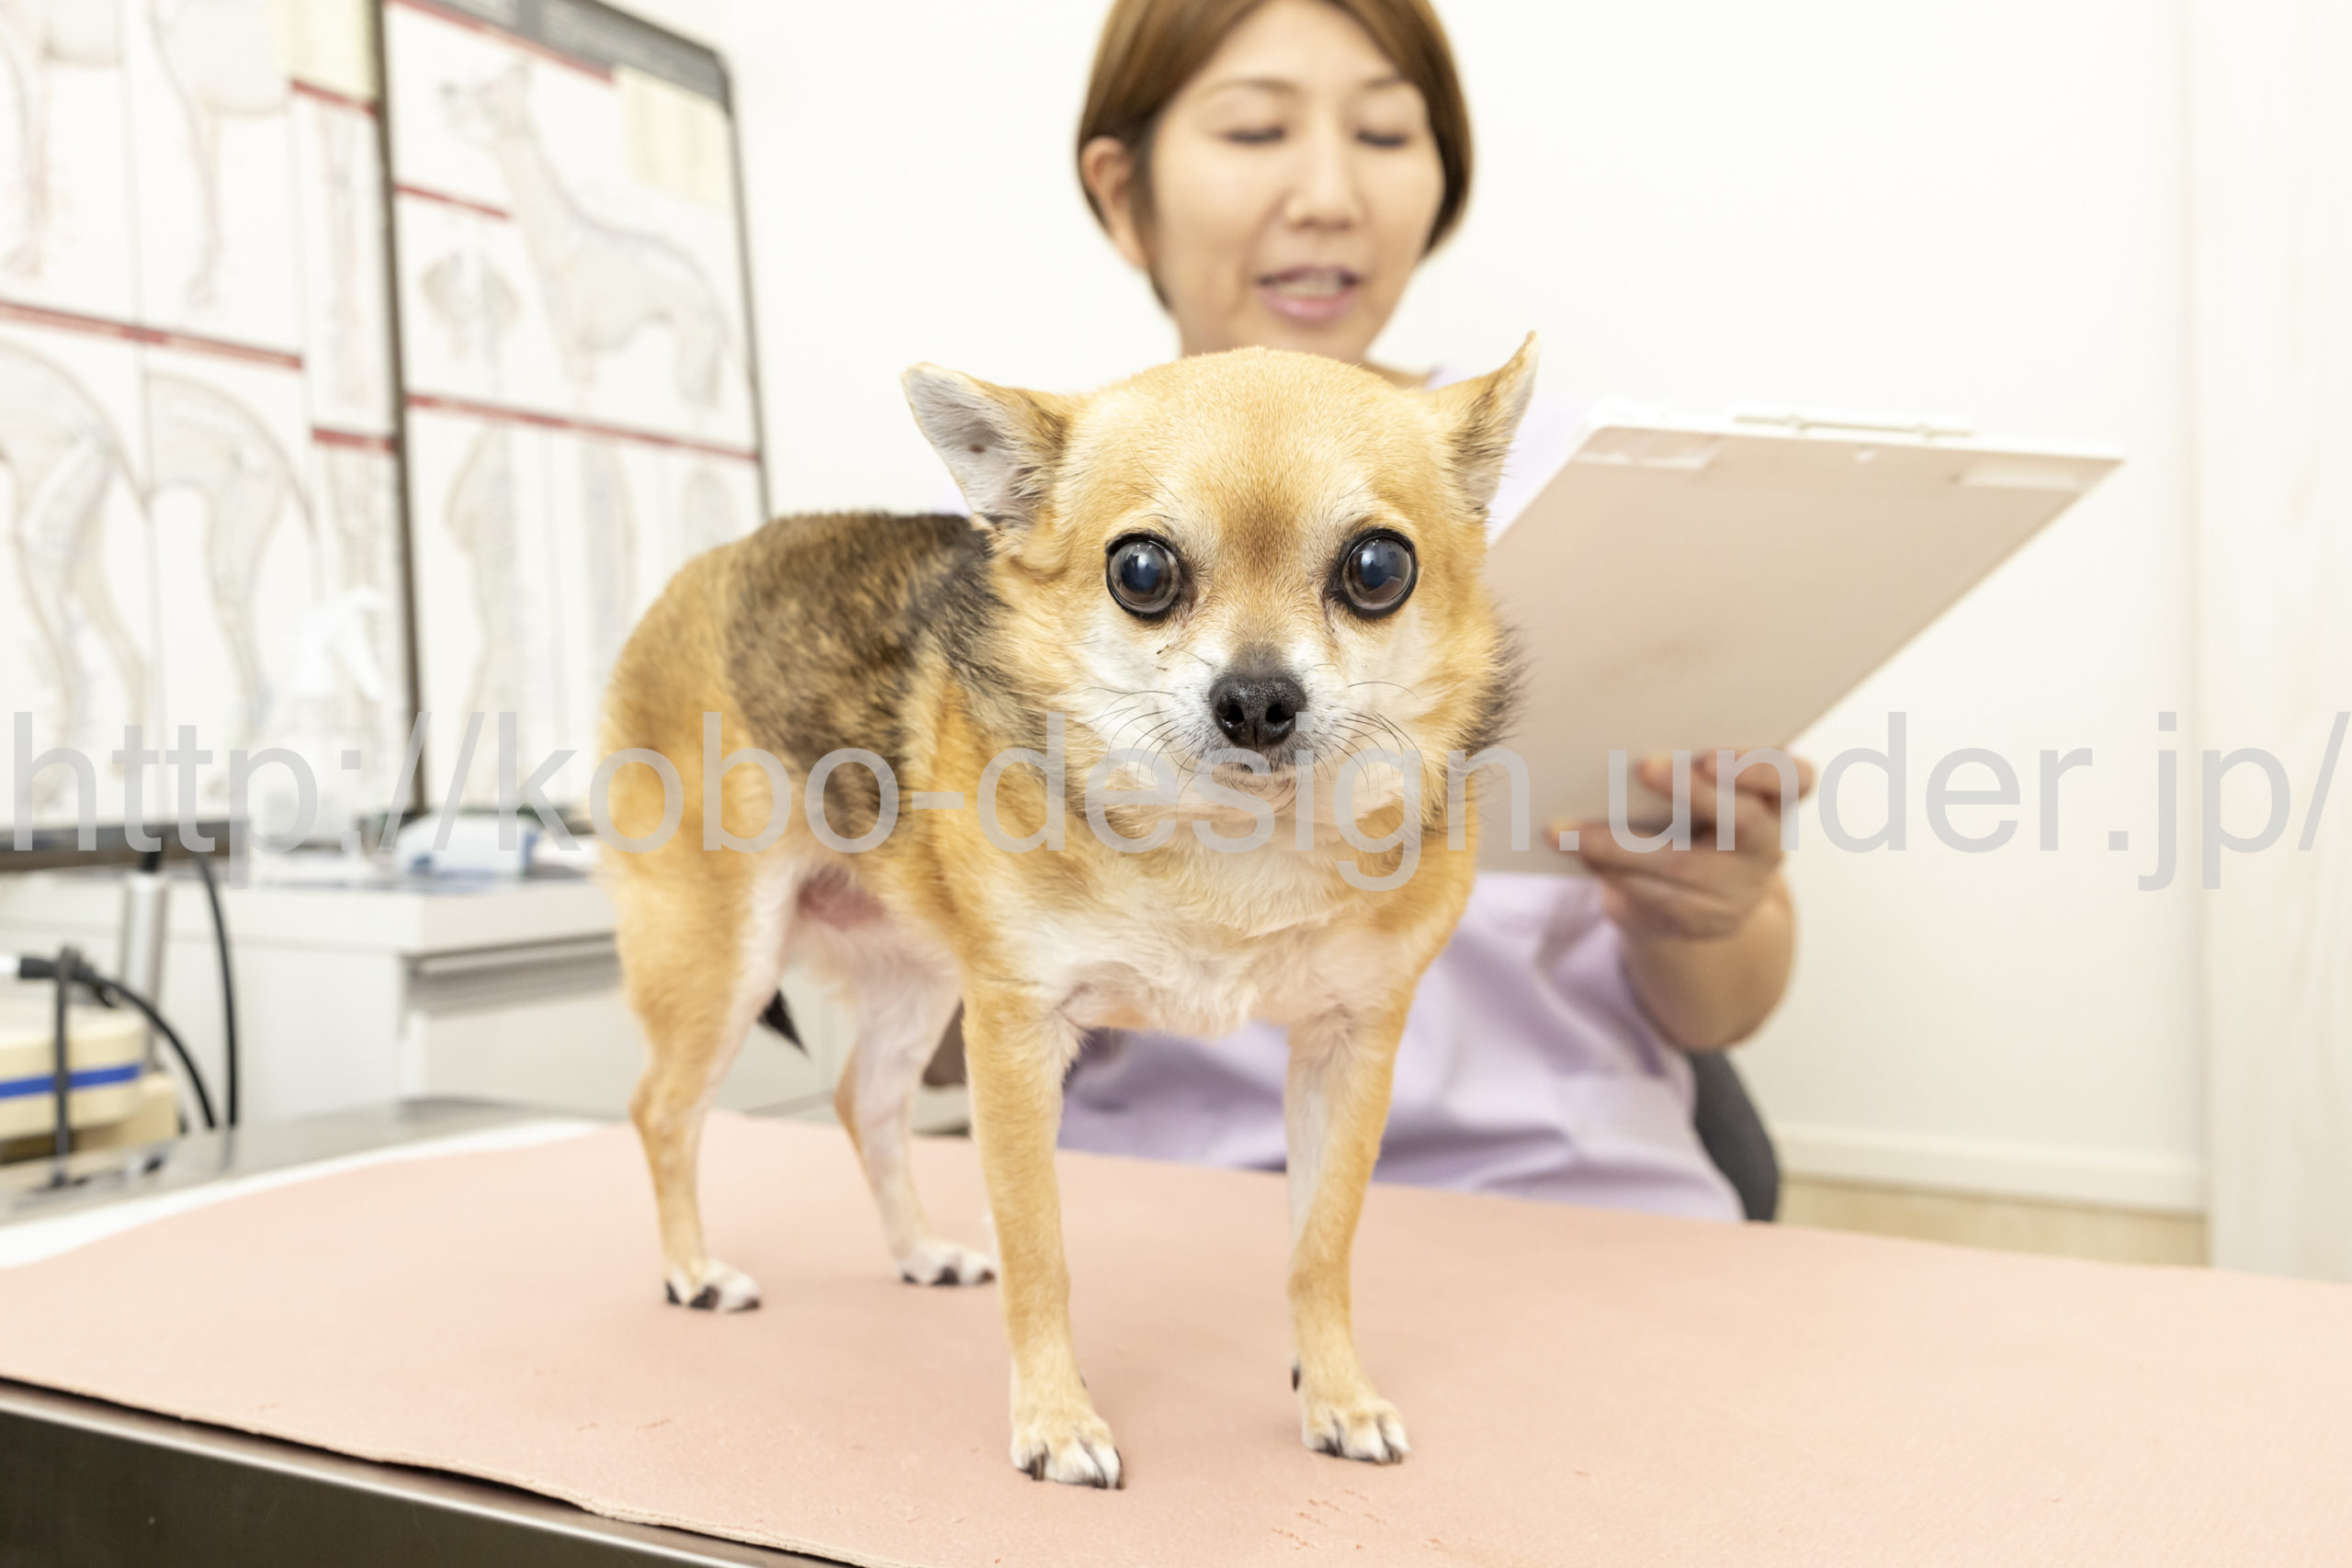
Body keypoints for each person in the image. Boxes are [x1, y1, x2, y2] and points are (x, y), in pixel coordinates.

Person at [1027, 0, 1813, 1223]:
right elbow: (942, 1041)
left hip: (1577, 1200)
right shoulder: (1040, 523)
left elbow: (1725, 1009)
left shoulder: (1585, 480)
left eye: (1387, 135)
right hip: (1180, 1215)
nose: (1330, 196)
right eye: (1256, 131)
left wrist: (1710, 905)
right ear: (1125, 195)